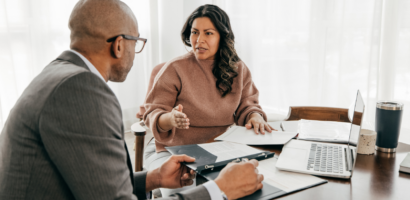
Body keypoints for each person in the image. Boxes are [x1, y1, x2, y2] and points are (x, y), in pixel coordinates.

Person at [0, 0, 264, 200]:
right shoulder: (80, 89)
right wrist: (218, 190)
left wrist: (154, 178)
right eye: (136, 42)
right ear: (118, 45)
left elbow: (100, 183)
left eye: (208, 33)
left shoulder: (61, 75)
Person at [142, 4, 274, 196]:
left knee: (250, 188)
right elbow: (153, 113)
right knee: (191, 195)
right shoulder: (175, 69)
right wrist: (169, 119)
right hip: (173, 152)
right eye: (195, 32)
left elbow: (248, 104)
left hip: (219, 149)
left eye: (208, 33)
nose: (199, 40)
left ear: (222, 36)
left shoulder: (238, 69)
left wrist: (254, 116)